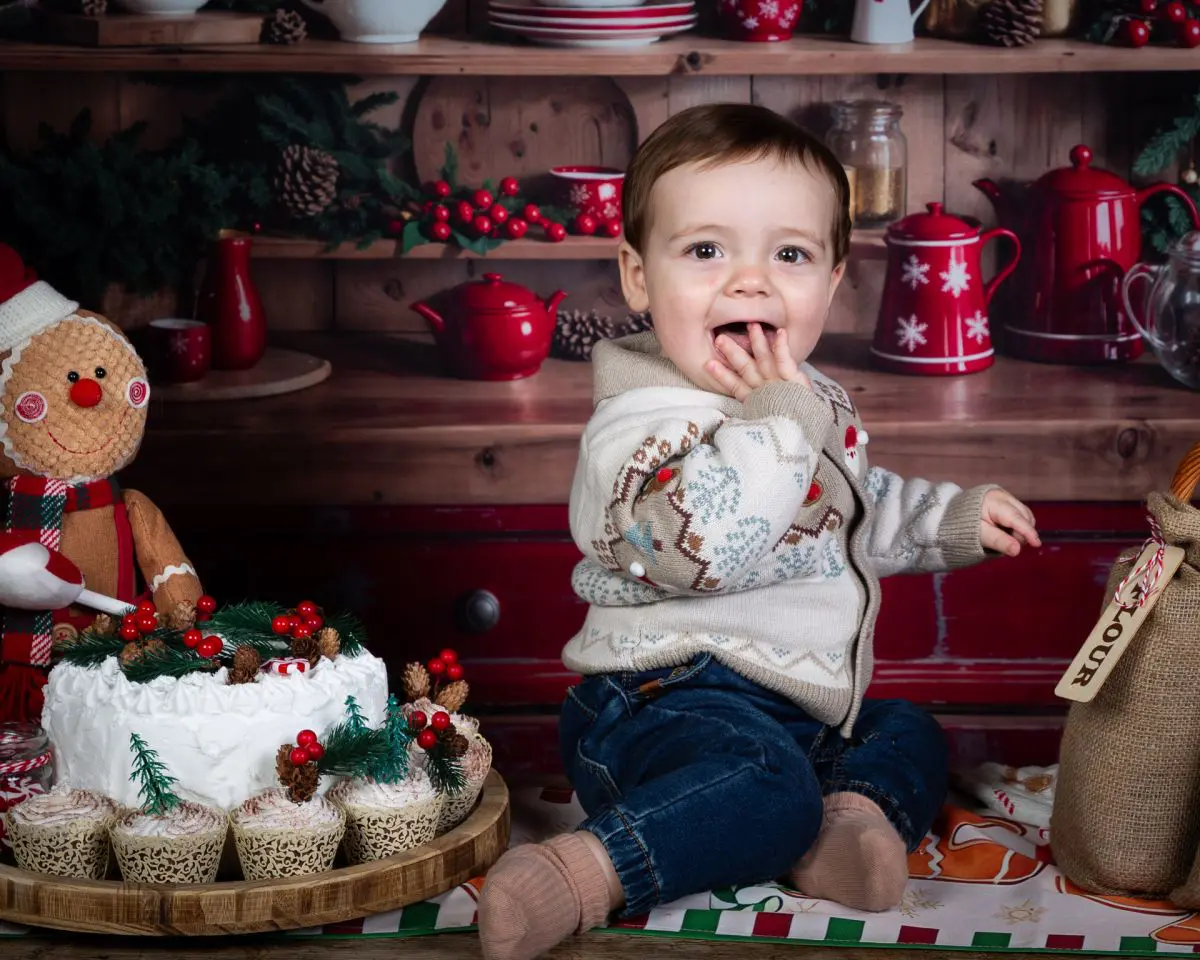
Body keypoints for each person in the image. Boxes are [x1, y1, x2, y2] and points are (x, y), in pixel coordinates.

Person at [476, 102, 1041, 960]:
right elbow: (698, 546)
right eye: (707, 251)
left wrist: (951, 520)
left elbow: (846, 509)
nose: (751, 282)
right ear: (638, 277)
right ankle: (582, 873)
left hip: (792, 706)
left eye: (790, 255)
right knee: (768, 779)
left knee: (905, 731)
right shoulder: (639, 419)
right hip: (656, 702)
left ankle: (843, 829)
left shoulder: (803, 400)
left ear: (833, 281)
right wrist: (779, 423)